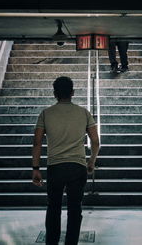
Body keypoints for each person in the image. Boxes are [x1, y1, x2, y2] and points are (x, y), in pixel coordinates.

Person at [31, 76, 100, 245]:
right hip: (77, 167)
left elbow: (37, 142)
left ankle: (52, 242)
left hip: (55, 167)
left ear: (55, 93)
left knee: (53, 208)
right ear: (73, 93)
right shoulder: (84, 112)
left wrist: (36, 168)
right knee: (75, 209)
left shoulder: (46, 114)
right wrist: (91, 162)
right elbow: (96, 141)